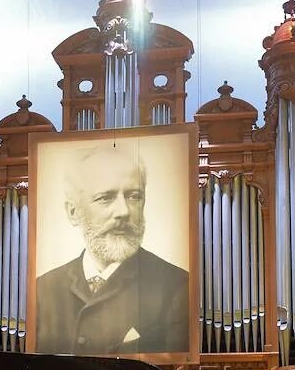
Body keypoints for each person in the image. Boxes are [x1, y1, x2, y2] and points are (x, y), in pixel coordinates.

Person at [35, 145, 188, 355]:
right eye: (105, 197)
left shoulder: (177, 285)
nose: (123, 211)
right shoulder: (43, 289)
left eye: (134, 196)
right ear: (73, 212)